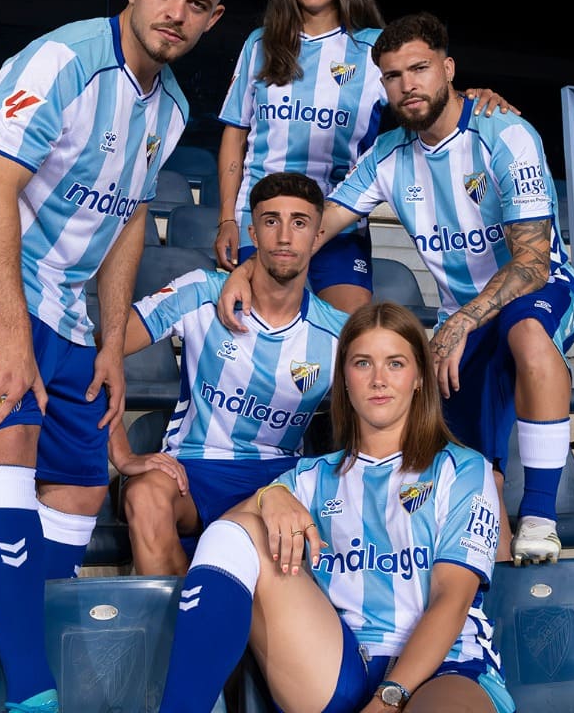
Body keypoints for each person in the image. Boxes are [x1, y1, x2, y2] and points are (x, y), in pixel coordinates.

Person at [0, 0, 236, 712]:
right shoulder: (62, 61)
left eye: (196, 3)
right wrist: (12, 338)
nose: (176, 12)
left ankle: (24, 660)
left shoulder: (169, 109)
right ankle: (33, 694)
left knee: (83, 489)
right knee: (9, 443)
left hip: (66, 308)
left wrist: (108, 343)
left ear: (213, 18)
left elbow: (129, 220)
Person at [217, 11, 574, 566]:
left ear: (448, 69)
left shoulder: (505, 133)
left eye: (419, 69)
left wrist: (459, 324)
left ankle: (539, 518)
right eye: (392, 75)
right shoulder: (388, 156)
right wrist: (250, 266)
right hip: (464, 317)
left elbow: (531, 264)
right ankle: (488, 587)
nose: (407, 85)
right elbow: (316, 228)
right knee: (470, 465)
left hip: (539, 293)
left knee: (526, 329)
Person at [158, 301, 515, 713]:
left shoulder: (464, 469)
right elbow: (228, 538)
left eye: (395, 364)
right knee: (235, 532)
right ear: (343, 378)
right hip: (342, 664)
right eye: (363, 363)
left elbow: (451, 599)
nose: (378, 380)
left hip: (446, 666)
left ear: (419, 377)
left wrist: (387, 699)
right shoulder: (310, 477)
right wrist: (268, 496)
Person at [213, 0, 518, 313]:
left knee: (350, 331)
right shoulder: (260, 44)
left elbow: (426, 100)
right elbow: (235, 135)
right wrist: (227, 219)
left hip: (340, 222)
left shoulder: (373, 47)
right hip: (262, 219)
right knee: (258, 325)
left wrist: (474, 98)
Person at [108, 171, 348, 576]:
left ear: (317, 236)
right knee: (144, 496)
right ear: (253, 232)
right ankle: (182, 616)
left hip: (281, 479)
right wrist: (121, 451)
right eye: (271, 221)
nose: (284, 236)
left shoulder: (339, 332)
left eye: (299, 223)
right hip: (193, 469)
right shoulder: (201, 291)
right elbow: (98, 351)